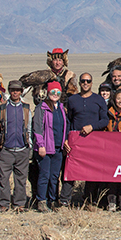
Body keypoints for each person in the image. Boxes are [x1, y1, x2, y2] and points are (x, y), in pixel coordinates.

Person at [65, 73, 109, 208]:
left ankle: (89, 199)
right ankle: (64, 200)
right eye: (83, 81)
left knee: (92, 171)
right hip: (76, 141)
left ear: (92, 83)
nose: (85, 83)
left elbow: (105, 120)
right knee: (70, 170)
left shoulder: (98, 100)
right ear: (79, 82)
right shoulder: (72, 100)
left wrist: (92, 127)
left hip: (94, 141)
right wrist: (66, 138)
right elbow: (69, 121)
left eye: (88, 81)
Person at [0, 80, 33, 212]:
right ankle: (3, 203)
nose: (15, 92)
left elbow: (29, 128)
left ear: (21, 92)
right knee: (3, 178)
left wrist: (30, 145)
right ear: (9, 91)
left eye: (17, 90)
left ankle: (19, 204)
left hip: (22, 149)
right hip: (6, 149)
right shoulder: (2, 108)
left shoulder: (26, 108)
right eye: (12, 90)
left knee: (21, 179)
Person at [32, 81, 68, 213]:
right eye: (52, 92)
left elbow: (64, 127)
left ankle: (53, 200)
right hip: (45, 148)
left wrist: (65, 141)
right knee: (44, 175)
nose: (55, 94)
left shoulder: (61, 108)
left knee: (54, 176)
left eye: (58, 92)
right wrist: (40, 145)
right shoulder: (42, 108)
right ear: (48, 93)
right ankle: (41, 201)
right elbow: (37, 128)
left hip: (58, 148)